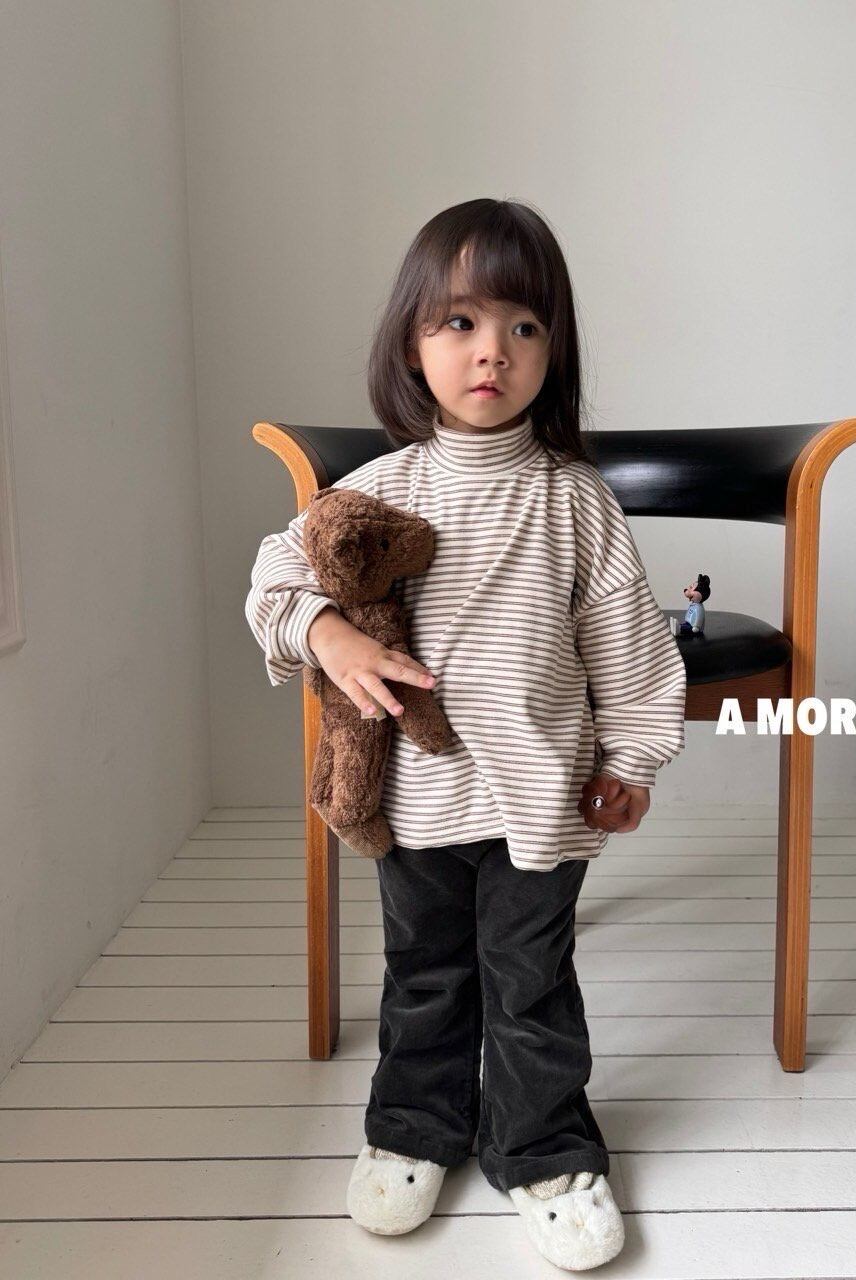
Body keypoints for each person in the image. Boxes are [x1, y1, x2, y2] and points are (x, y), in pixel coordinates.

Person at [244, 198, 687, 1271]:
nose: (493, 349)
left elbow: (627, 637)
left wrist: (632, 758)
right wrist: (329, 634)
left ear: (553, 350)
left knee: (531, 984)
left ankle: (544, 1149)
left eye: (524, 325)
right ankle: (413, 1129)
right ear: (412, 343)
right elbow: (273, 581)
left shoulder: (576, 501)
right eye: (461, 322)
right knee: (426, 974)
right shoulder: (377, 490)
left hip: (544, 797)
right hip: (418, 799)